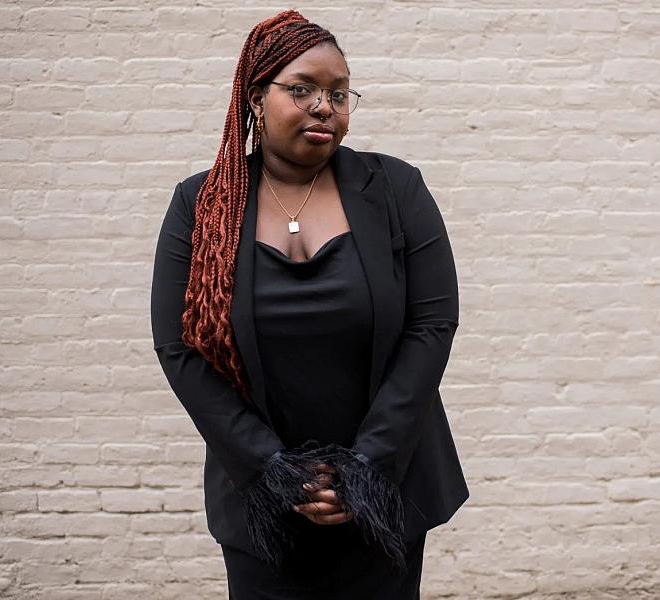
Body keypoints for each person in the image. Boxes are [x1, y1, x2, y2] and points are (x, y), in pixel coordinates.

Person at [150, 10, 469, 599]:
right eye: (302, 89)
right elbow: (178, 346)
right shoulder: (202, 205)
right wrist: (272, 469)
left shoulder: (395, 189)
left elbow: (432, 325)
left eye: (339, 93)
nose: (325, 106)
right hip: (260, 502)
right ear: (255, 97)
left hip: (386, 489)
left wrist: (367, 466)